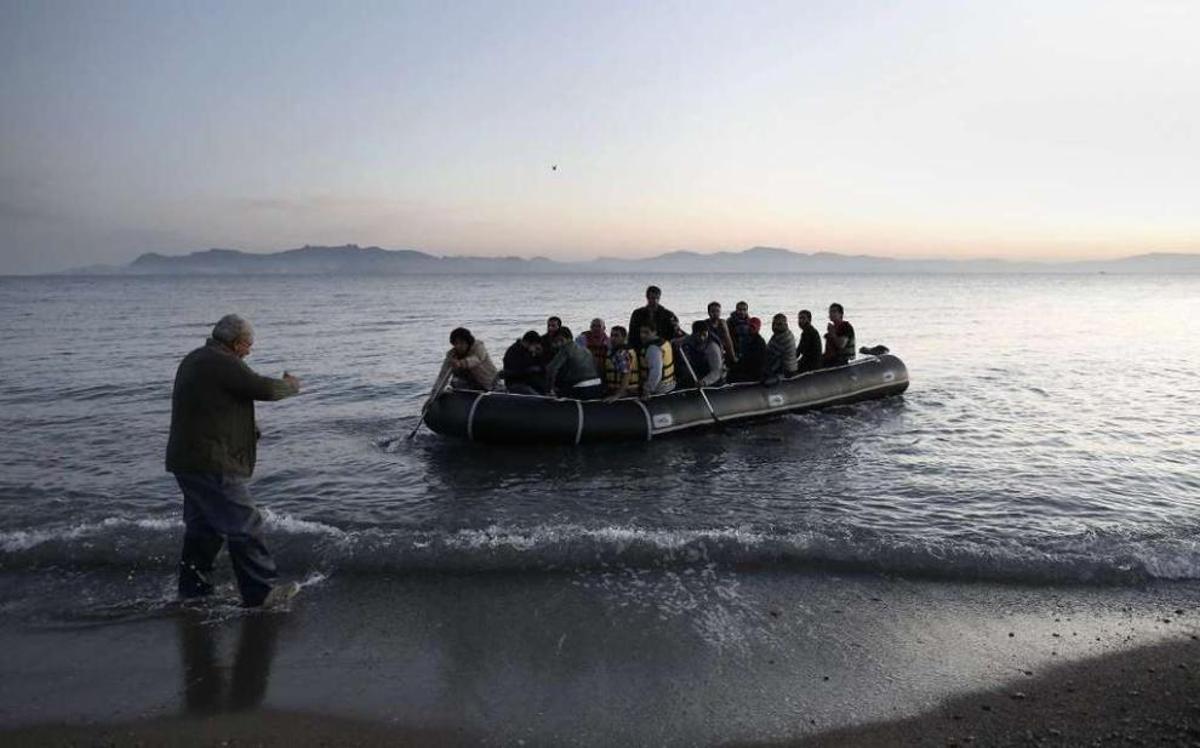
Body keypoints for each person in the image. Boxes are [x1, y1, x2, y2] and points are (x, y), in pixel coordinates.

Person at [165, 314, 302, 608]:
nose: (249, 351)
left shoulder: (198, 358)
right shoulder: (219, 361)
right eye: (248, 345)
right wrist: (290, 385)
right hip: (210, 461)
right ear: (236, 342)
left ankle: (193, 591)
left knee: (204, 529)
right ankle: (261, 593)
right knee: (246, 522)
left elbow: (216, 406)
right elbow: (262, 388)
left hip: (188, 459)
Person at [545, 327, 605, 399]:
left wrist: (550, 389)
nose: (558, 344)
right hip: (597, 386)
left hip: (581, 388)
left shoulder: (566, 348)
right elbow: (597, 367)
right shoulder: (585, 349)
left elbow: (551, 369)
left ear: (567, 339)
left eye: (560, 340)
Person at [435, 327, 498, 393]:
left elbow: (477, 359)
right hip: (469, 385)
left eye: (461, 343)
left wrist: (461, 363)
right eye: (456, 343)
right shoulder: (452, 355)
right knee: (455, 382)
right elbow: (442, 375)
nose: (458, 346)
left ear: (468, 342)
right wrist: (435, 393)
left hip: (490, 383)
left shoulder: (478, 347)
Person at [679, 319, 725, 387]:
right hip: (699, 371)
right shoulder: (690, 339)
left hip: (714, 377)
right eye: (699, 335)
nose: (702, 338)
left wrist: (704, 382)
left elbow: (717, 371)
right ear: (694, 334)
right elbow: (682, 340)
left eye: (704, 335)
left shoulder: (712, 347)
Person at [636, 322, 676, 398]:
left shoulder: (653, 349)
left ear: (654, 332)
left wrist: (647, 390)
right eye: (641, 332)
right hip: (670, 383)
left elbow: (656, 372)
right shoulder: (664, 342)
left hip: (659, 388)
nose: (642, 335)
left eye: (646, 332)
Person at [500, 331, 546, 395]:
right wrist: (530, 369)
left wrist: (538, 355)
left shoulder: (528, 351)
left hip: (528, 381)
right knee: (535, 395)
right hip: (515, 383)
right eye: (535, 345)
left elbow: (540, 368)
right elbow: (515, 371)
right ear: (529, 343)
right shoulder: (514, 351)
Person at [603, 325, 640, 401]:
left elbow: (626, 374)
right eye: (612, 335)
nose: (613, 338)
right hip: (615, 389)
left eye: (616, 336)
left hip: (627, 391)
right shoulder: (614, 351)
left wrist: (618, 395)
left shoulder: (623, 353)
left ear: (624, 338)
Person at [728, 316, 766, 383]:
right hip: (746, 367)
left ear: (758, 328)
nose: (751, 329)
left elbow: (754, 362)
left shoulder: (759, 342)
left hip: (754, 372)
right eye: (750, 326)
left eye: (753, 327)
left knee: (731, 376)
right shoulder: (746, 339)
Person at [765, 313, 798, 381]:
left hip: (786, 371)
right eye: (774, 324)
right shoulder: (780, 334)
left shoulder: (784, 338)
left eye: (779, 324)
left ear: (785, 325)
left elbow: (770, 355)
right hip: (787, 368)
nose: (775, 326)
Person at [823, 303, 856, 367]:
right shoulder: (833, 327)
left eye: (834, 312)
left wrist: (832, 333)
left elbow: (841, 345)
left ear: (841, 314)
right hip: (831, 359)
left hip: (840, 360)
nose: (831, 314)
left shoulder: (846, 327)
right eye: (830, 312)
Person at [796, 309, 823, 373]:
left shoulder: (809, 332)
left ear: (809, 320)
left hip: (812, 364)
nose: (800, 321)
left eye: (803, 318)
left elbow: (800, 350)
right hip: (812, 362)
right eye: (799, 318)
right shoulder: (809, 331)